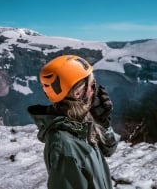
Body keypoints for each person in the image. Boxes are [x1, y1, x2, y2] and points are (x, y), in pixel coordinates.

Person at [28, 55, 120, 189]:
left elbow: (109, 149)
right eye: (92, 85)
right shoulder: (64, 147)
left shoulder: (80, 124)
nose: (95, 90)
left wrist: (102, 122)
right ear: (78, 94)